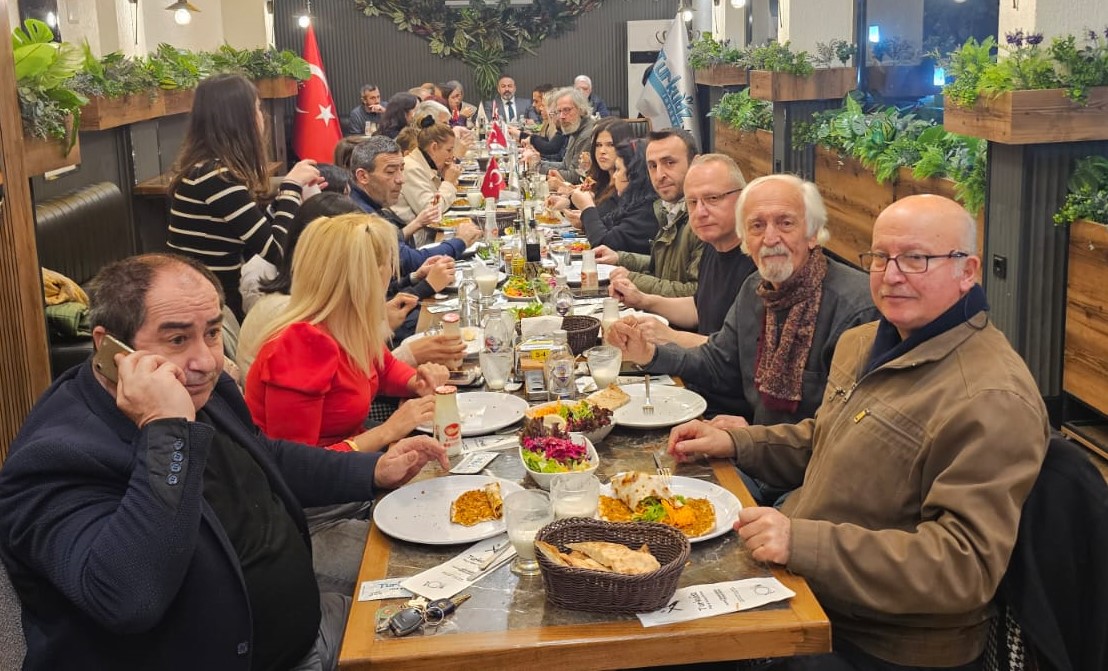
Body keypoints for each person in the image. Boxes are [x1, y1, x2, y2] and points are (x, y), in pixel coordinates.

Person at [0, 253, 448, 670]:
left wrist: (370, 470)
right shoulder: (55, 457)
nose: (206, 360)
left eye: (212, 332)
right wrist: (167, 429)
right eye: (177, 338)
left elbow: (265, 456)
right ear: (110, 348)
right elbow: (128, 597)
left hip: (308, 626)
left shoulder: (202, 389)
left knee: (447, 619)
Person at [667, 194, 1049, 670]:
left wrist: (800, 542)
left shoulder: (991, 398)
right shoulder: (868, 340)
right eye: (881, 257)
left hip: (878, 643)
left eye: (916, 259)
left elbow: (963, 566)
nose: (892, 275)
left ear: (967, 270)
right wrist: (737, 442)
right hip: (804, 587)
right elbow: (826, 439)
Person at [608, 171, 875, 428]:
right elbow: (717, 361)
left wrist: (748, 440)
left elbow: (840, 432)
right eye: (757, 226)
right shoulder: (756, 289)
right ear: (745, 239)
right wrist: (650, 354)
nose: (770, 238)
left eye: (786, 223)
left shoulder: (856, 310)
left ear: (813, 233)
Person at [245, 213, 448, 452]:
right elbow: (296, 466)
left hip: (351, 459)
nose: (389, 280)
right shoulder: (302, 344)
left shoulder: (348, 323)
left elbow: (383, 368)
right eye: (385, 271)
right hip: (320, 481)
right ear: (362, 281)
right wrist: (388, 430)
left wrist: (416, 381)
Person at [168, 73, 322, 320]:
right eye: (258, 109)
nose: (263, 116)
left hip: (208, 292)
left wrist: (289, 195)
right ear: (240, 120)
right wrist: (292, 187)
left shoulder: (207, 169)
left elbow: (254, 229)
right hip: (212, 305)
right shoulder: (218, 177)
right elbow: (276, 251)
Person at [607, 153, 755, 343]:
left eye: (713, 198)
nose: (700, 212)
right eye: (692, 202)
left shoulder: (757, 262)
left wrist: (672, 337)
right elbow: (699, 308)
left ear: (743, 197)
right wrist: (643, 300)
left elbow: (736, 354)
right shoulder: (713, 245)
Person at [594, 128, 703, 298]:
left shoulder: (703, 218)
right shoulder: (666, 208)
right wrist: (619, 258)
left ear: (695, 164)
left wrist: (633, 278)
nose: (659, 175)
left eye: (669, 163)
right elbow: (661, 267)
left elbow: (697, 295)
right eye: (652, 166)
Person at [568, 139, 659, 255]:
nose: (615, 176)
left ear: (634, 175)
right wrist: (584, 218)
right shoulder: (633, 201)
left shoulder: (647, 211)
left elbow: (604, 245)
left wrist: (587, 208)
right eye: (598, 145)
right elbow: (606, 225)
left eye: (618, 169)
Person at [392, 120, 462, 246]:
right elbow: (432, 211)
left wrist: (441, 176)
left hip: (426, 234)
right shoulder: (411, 168)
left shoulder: (423, 164)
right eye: (449, 150)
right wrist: (448, 183)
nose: (452, 156)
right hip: (415, 241)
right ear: (434, 147)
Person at [524, 87, 597, 183]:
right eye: (559, 111)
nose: (561, 116)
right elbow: (565, 165)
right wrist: (537, 163)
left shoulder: (586, 135)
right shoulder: (575, 128)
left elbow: (576, 177)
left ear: (581, 109)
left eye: (567, 110)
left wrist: (539, 167)